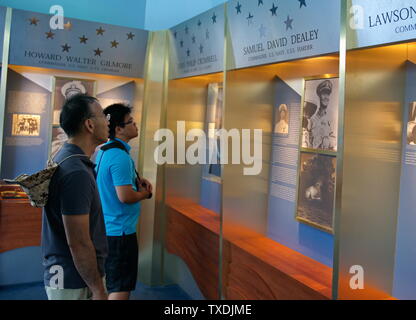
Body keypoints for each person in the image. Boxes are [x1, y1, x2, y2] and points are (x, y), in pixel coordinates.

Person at [42, 94, 109, 300]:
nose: (108, 122)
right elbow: (78, 242)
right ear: (89, 124)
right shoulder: (76, 173)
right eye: (103, 116)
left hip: (68, 276)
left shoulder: (66, 158)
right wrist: (98, 289)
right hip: (74, 281)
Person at [95, 103, 152, 300]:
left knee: (112, 282)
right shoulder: (119, 156)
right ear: (118, 129)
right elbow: (125, 197)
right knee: (120, 287)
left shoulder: (104, 151)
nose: (136, 125)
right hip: (120, 232)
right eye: (131, 122)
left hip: (107, 228)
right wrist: (144, 194)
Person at [308, 80, 336, 150]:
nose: (326, 97)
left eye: (328, 94)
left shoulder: (331, 118)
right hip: (313, 157)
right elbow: (308, 140)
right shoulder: (312, 119)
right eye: (324, 94)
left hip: (327, 158)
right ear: (319, 96)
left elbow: (335, 140)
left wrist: (328, 140)